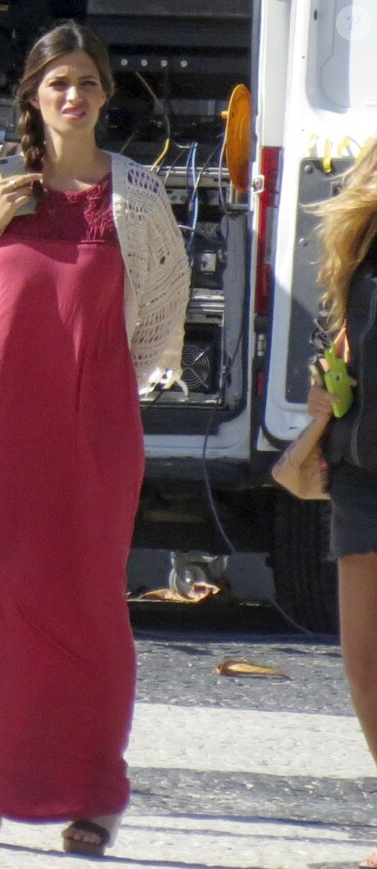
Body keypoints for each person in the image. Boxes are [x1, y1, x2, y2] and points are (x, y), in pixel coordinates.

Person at [0, 20, 190, 857]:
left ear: (106, 94)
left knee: (86, 608)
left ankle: (93, 794)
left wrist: (100, 380)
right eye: (57, 84)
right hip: (2, 427)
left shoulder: (138, 194)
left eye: (87, 81)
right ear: (34, 98)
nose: (74, 96)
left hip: (96, 432)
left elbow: (158, 324)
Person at [306, 139, 377, 869]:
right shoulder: (360, 236)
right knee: (363, 664)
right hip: (361, 468)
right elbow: (348, 337)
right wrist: (327, 387)